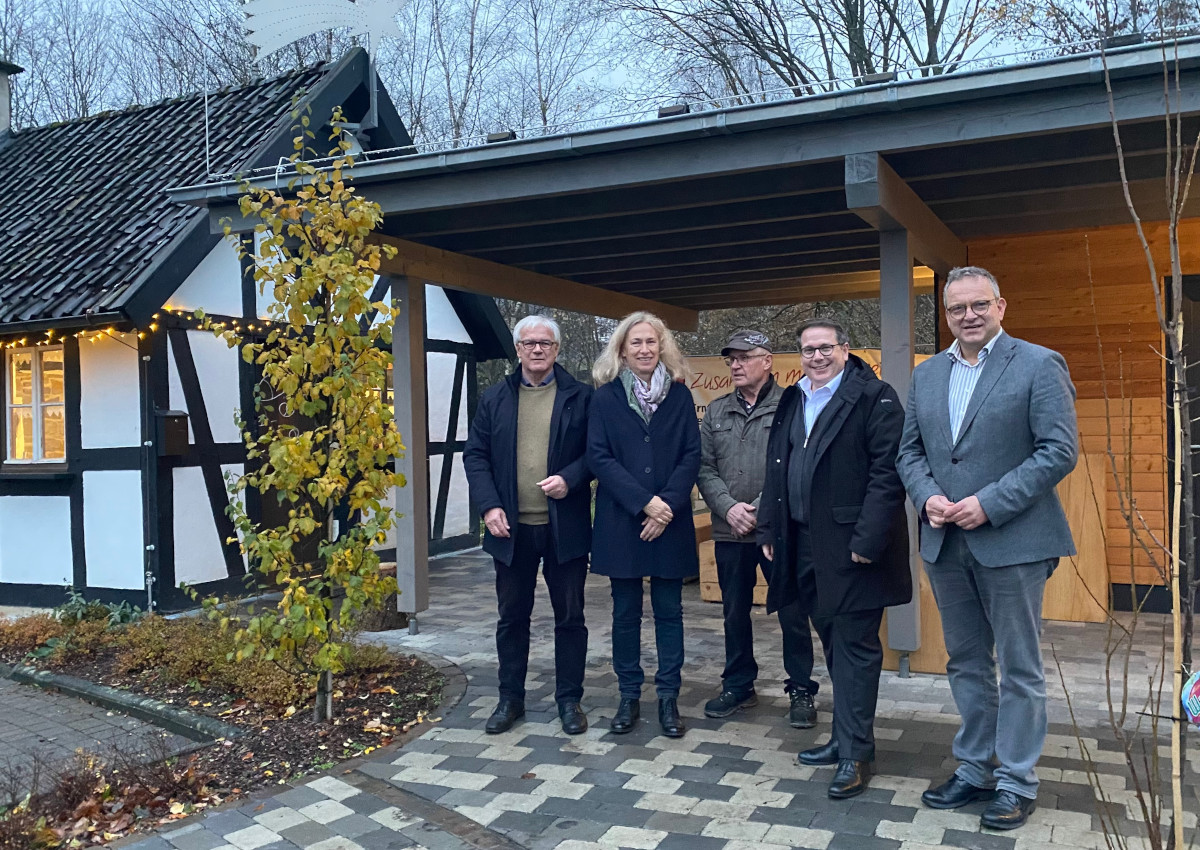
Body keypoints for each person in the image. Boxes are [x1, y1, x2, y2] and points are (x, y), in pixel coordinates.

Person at [896, 266, 1077, 830]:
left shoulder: (1038, 363)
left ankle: (1016, 780)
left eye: (978, 305)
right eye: (956, 309)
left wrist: (990, 503)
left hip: (1013, 540)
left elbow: (1057, 451)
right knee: (966, 662)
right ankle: (975, 767)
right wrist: (926, 497)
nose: (968, 316)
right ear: (946, 314)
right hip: (945, 541)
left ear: (1001, 305)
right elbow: (910, 453)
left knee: (1019, 667)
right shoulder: (926, 376)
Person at [758, 318, 911, 800]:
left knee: (857, 647)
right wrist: (769, 526)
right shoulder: (794, 396)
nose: (817, 357)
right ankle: (843, 737)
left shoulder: (875, 397)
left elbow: (888, 473)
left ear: (846, 350)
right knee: (831, 641)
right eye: (808, 350)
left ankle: (856, 754)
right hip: (803, 542)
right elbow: (776, 465)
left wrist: (867, 540)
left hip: (852, 548)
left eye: (826, 348)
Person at [464, 315, 593, 736]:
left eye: (545, 343)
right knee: (511, 618)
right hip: (510, 528)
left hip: (564, 527)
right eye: (529, 343)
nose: (537, 349)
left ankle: (570, 701)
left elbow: (597, 453)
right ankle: (510, 699)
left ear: (557, 350)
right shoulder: (495, 398)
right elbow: (476, 456)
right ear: (517, 349)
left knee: (570, 617)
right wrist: (488, 507)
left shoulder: (580, 397)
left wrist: (571, 478)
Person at [697, 329, 819, 728]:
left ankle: (801, 687)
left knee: (791, 611)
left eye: (744, 357)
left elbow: (799, 462)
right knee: (734, 611)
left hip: (778, 530)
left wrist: (764, 507)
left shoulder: (794, 405)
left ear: (767, 361)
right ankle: (739, 684)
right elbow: (704, 467)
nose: (735, 364)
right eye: (731, 358)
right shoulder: (715, 411)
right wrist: (729, 508)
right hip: (729, 529)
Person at [588, 311, 701, 739]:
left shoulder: (680, 396)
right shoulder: (604, 399)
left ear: (662, 347)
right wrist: (644, 505)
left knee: (671, 613)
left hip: (670, 522)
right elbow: (600, 457)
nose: (644, 349)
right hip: (624, 522)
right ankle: (629, 696)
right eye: (635, 343)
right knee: (625, 614)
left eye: (651, 342)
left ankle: (669, 699)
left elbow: (692, 454)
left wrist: (666, 506)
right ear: (621, 349)